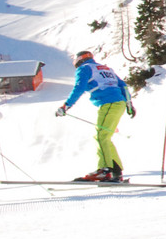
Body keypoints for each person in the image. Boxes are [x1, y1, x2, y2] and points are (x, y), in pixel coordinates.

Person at [55, 50, 136, 182]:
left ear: (79, 60)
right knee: (105, 137)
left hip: (108, 103)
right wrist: (129, 104)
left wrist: (66, 106)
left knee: (101, 136)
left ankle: (104, 170)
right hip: (118, 103)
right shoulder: (106, 68)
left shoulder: (84, 69)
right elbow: (123, 86)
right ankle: (116, 171)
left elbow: (79, 88)